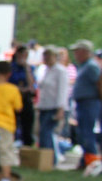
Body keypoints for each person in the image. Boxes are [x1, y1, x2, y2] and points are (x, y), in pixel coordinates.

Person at [69, 39, 101, 174]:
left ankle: (92, 164)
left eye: (77, 51)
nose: (75, 54)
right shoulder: (84, 66)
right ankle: (85, 162)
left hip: (90, 102)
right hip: (83, 103)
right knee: (83, 133)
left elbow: (99, 81)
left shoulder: (91, 66)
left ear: (85, 52)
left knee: (87, 133)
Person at [36, 46, 67, 157]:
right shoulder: (46, 70)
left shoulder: (60, 71)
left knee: (46, 132)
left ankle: (49, 158)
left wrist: (60, 108)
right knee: (42, 132)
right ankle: (44, 157)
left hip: (54, 106)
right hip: (45, 105)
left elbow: (62, 91)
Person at [8, 45, 36, 145]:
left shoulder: (30, 68)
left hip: (25, 99)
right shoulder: (11, 67)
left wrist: (26, 68)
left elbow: (32, 85)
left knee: (27, 125)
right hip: (13, 98)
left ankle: (27, 146)